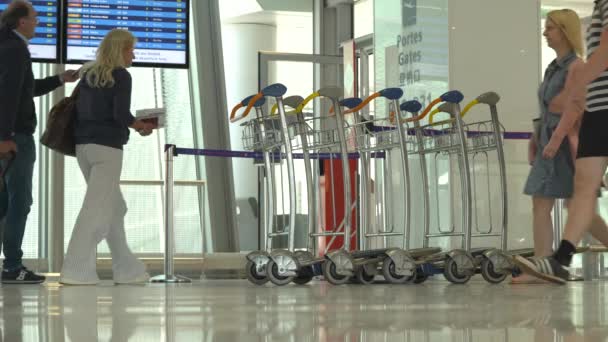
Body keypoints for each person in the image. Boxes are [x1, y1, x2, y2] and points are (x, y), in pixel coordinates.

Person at [515, 0, 608, 284]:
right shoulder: (554, 67)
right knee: (582, 190)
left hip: (591, 115)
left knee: (575, 195)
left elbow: (606, 50)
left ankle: (553, 259)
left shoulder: (575, 66)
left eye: (551, 28)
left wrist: (578, 85)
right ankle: (559, 260)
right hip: (597, 109)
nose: (546, 33)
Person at [59, 29, 155, 285]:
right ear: (119, 50)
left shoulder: (88, 74)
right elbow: (120, 114)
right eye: (130, 50)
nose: (133, 55)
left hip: (84, 148)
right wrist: (141, 125)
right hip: (108, 149)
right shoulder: (121, 75)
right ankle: (75, 269)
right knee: (97, 209)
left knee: (114, 207)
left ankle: (127, 269)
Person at [0, 0, 78, 284]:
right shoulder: (15, 50)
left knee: (4, 202)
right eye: (34, 18)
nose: (38, 23)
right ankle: (12, 266)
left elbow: (23, 89)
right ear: (21, 22)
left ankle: (10, 263)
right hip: (14, 138)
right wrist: (5, 137)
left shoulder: (6, 46)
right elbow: (7, 96)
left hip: (8, 135)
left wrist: (59, 79)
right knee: (19, 201)